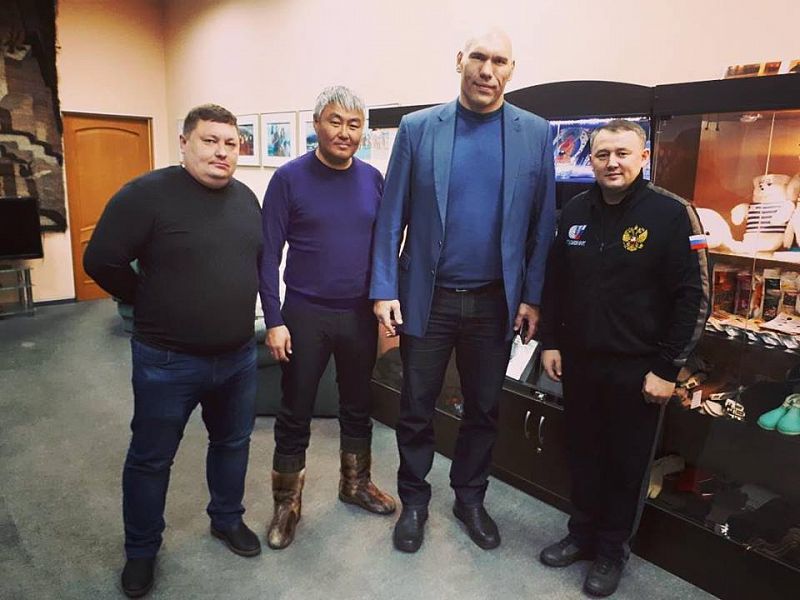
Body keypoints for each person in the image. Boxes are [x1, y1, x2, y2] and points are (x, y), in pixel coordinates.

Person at [370, 29, 556, 553]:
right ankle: (414, 500)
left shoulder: (535, 133)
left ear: (511, 70)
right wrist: (384, 287)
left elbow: (543, 224)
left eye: (499, 61)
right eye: (478, 57)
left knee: (484, 408)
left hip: (496, 301)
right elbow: (391, 217)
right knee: (416, 405)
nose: (487, 70)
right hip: (428, 297)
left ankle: (470, 497)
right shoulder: (419, 129)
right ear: (459, 61)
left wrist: (532, 296)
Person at [84, 104, 263, 598]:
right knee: (151, 458)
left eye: (231, 143)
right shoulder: (146, 195)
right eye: (210, 140)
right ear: (184, 143)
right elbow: (101, 260)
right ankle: (142, 550)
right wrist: (145, 299)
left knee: (232, 444)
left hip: (237, 357)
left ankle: (226, 519)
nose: (222, 151)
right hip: (167, 361)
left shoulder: (246, 199)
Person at [538, 119, 710, 597]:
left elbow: (694, 297)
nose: (612, 163)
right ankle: (581, 535)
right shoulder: (574, 210)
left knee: (626, 464)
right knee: (583, 454)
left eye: (622, 153)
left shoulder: (673, 214)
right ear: (590, 159)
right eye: (602, 154)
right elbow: (556, 283)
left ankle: (612, 551)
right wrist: (550, 341)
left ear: (644, 157)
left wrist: (667, 368)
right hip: (580, 363)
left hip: (640, 369)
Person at [259, 86, 396, 551]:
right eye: (335, 121)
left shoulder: (373, 179)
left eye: (354, 125)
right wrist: (273, 318)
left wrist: (385, 298)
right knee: (295, 409)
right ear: (317, 124)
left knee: (358, 404)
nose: (344, 132)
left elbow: (384, 247)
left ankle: (355, 484)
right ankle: (286, 504)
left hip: (359, 314)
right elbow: (267, 255)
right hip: (305, 314)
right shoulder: (289, 179)